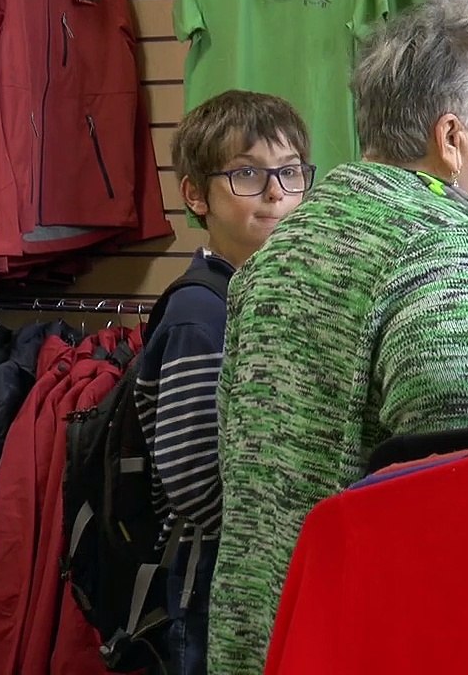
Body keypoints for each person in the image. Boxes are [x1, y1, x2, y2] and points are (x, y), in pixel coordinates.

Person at [208, 0, 468, 672]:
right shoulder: (444, 252)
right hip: (372, 635)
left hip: (262, 627)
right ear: (452, 138)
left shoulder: (285, 243)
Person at [133, 90, 312, 675]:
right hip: (213, 575)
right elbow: (191, 475)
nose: (276, 193)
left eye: (290, 172)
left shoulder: (270, 296)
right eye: (247, 174)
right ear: (195, 195)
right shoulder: (200, 313)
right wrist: (264, 534)